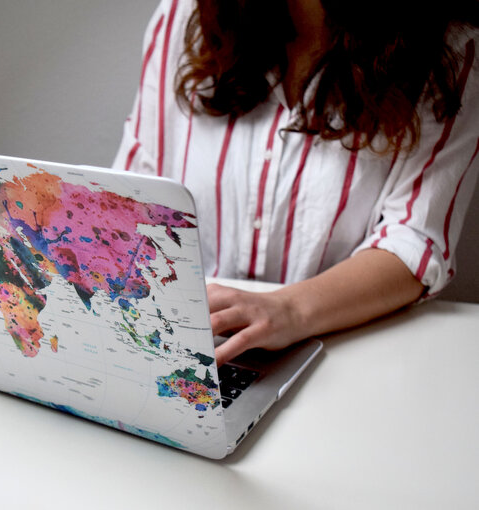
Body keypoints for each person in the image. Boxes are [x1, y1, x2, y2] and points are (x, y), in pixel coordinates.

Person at [113, 0, 479, 364]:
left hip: (341, 353)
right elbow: (134, 193)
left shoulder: (449, 52)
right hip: (185, 349)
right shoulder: (185, 14)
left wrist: (289, 310)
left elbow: (413, 239)